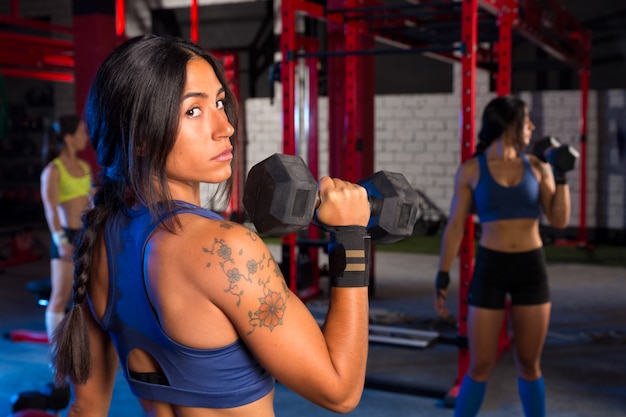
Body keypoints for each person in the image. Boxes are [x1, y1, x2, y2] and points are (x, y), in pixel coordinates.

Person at [51, 34, 372, 417]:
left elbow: (85, 410)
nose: (226, 127)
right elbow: (340, 392)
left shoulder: (100, 240)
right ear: (140, 138)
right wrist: (351, 237)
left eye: (219, 102)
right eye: (193, 111)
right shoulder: (227, 251)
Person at [434, 96, 573, 417]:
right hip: (491, 268)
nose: (532, 127)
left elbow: (560, 220)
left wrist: (562, 175)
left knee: (528, 363)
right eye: (526, 121)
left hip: (531, 269)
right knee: (480, 364)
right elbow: (455, 227)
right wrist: (442, 276)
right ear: (509, 124)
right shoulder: (471, 170)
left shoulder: (538, 167)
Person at [40, 114, 92, 343]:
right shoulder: (53, 170)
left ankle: (82, 352)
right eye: (81, 132)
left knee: (87, 297)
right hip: (66, 238)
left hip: (86, 235)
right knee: (60, 296)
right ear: (69, 138)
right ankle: (57, 357)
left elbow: (91, 200)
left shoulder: (84, 166)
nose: (86, 137)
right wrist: (61, 242)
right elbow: (51, 209)